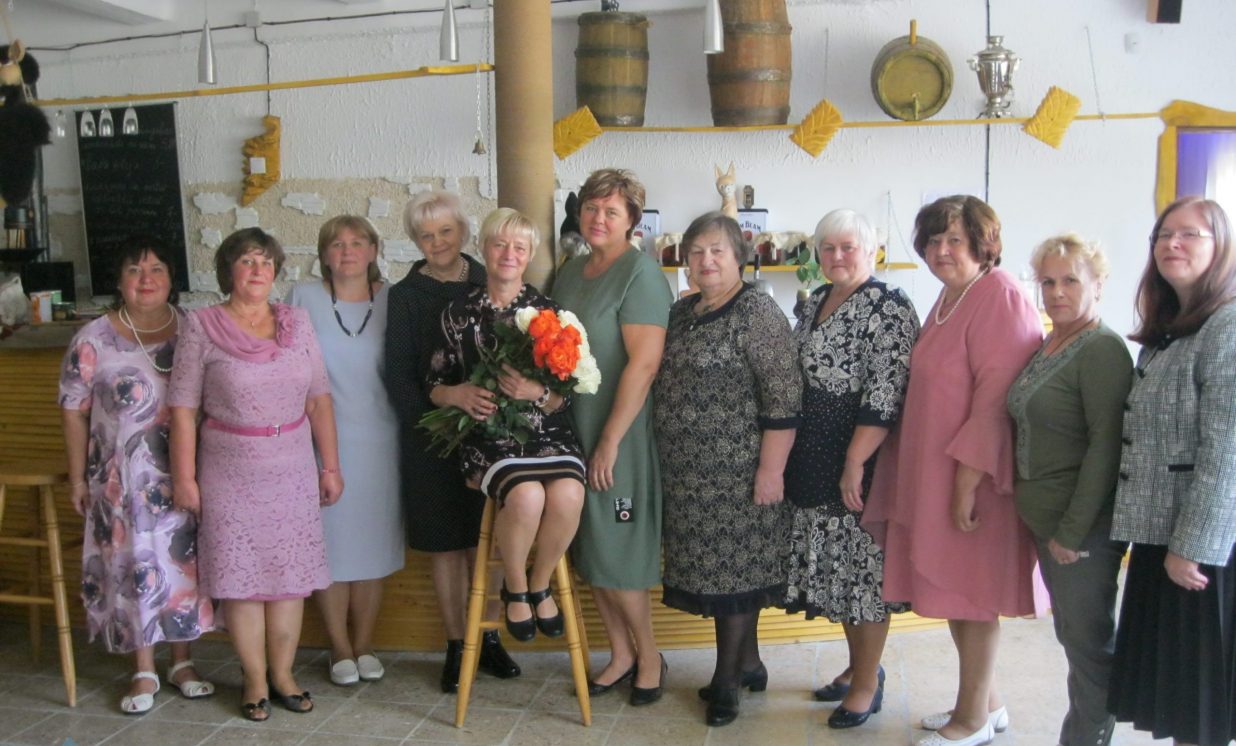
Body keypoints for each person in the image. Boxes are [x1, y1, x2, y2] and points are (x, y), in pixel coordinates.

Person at [861, 195, 1044, 746]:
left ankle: (972, 722)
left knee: (973, 595)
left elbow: (994, 401)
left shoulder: (1000, 295)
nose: (941, 250)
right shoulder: (950, 296)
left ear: (983, 245)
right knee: (954, 590)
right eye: (934, 240)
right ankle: (986, 703)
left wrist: (966, 482)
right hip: (936, 468)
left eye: (955, 240)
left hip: (974, 475)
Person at [168, 227, 343, 722]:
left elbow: (319, 399)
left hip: (292, 467)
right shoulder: (201, 326)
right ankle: (254, 679)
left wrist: (330, 466)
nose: (257, 270)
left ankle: (284, 675)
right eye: (247, 260)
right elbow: (182, 408)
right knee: (241, 579)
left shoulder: (296, 323)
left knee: (289, 578)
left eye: (266, 261)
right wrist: (185, 478)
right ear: (229, 270)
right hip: (228, 469)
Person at [654, 211, 801, 727]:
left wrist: (771, 470)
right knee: (720, 574)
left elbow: (784, 398)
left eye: (717, 250)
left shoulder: (757, 312)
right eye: (696, 252)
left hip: (739, 473)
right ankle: (751, 662)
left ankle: (727, 681)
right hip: (688, 478)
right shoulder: (681, 312)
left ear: (739, 256)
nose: (706, 260)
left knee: (735, 576)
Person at [59, 236, 215, 715]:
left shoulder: (194, 329)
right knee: (135, 566)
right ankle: (144, 668)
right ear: (119, 280)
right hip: (121, 479)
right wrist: (77, 478)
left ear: (172, 278)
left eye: (156, 269)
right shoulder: (93, 338)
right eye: (134, 270)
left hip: (186, 471)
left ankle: (182, 662)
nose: (146, 279)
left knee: (184, 563)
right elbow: (73, 411)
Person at [782, 209, 919, 729]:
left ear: (871, 250)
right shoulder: (817, 299)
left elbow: (886, 393)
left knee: (862, 574)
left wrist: (856, 461)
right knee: (838, 571)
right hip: (813, 453)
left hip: (860, 454)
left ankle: (866, 684)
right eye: (828, 247)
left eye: (848, 247)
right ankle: (858, 666)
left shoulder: (889, 305)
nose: (837, 256)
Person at [425, 207, 587, 645]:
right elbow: (434, 386)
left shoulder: (550, 314)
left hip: (547, 433)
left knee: (570, 493)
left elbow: (565, 397)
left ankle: (539, 583)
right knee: (528, 495)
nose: (509, 254)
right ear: (483, 248)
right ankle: (514, 586)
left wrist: (537, 392)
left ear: (530, 254)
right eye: (499, 244)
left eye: (519, 246)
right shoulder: (456, 313)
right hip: (488, 437)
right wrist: (458, 395)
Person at [1109, 196, 1236, 746]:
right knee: (1179, 699)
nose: (1172, 244)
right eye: (1163, 234)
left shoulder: (1227, 326)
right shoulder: (1172, 329)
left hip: (1202, 548)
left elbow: (1227, 450)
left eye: (1189, 235)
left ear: (1221, 247)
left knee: (1199, 705)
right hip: (1161, 532)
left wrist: (1192, 546)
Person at [385, 190, 520, 691]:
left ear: (463, 232)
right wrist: (442, 412)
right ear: (414, 240)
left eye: (446, 231)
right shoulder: (404, 296)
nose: (437, 242)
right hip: (431, 440)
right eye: (426, 235)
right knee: (446, 546)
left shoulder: (491, 279)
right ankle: (457, 644)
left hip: (493, 433)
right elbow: (398, 375)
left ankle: (489, 637)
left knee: (490, 542)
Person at [551, 169, 673, 705]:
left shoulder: (640, 275)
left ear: (632, 221)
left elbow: (643, 366)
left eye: (612, 211)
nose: (598, 219)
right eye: (591, 208)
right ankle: (620, 655)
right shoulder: (570, 272)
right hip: (572, 433)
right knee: (594, 548)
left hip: (617, 438)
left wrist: (609, 442)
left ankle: (649, 657)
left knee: (620, 551)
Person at [1005, 234, 1130, 746]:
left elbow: (1106, 447)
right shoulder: (1051, 342)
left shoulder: (1101, 349)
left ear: (1098, 285)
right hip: (1048, 520)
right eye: (1048, 281)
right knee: (1073, 637)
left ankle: (1086, 737)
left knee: (1088, 645)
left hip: (1081, 530)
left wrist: (1073, 533)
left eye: (1071, 280)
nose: (1057, 292)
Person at [288, 215, 404, 686]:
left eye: (358, 242)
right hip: (323, 443)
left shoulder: (396, 299)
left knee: (373, 546)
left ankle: (365, 645)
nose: (348, 251)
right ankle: (339, 646)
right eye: (337, 244)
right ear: (324, 254)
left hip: (383, 440)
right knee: (332, 548)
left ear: (374, 250)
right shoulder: (302, 298)